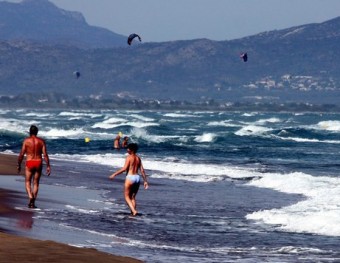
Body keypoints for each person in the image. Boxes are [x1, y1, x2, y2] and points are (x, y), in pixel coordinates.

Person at [109, 143, 148, 216]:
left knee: (126, 197)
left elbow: (124, 169)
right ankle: (133, 213)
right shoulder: (138, 158)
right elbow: (142, 170)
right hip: (137, 177)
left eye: (128, 148)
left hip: (130, 177)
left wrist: (114, 174)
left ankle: (134, 211)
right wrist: (145, 181)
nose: (127, 150)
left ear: (131, 150)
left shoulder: (129, 157)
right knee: (133, 197)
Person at [17, 125, 51, 208]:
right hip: (38, 162)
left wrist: (19, 164)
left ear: (30, 132)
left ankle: (30, 196)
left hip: (29, 162)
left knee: (27, 181)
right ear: (37, 132)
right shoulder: (41, 141)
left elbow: (21, 154)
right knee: (36, 183)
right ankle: (32, 203)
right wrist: (48, 166)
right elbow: (45, 155)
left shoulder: (26, 141)